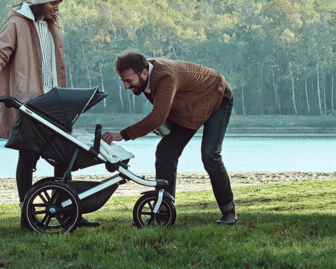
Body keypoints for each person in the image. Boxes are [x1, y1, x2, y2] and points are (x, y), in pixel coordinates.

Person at [0, 0, 90, 221]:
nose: (57, 8)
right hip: (29, 103)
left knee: (64, 156)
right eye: (53, 3)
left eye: (58, 3)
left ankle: (67, 212)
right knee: (27, 157)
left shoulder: (54, 27)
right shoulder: (16, 24)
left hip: (55, 102)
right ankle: (26, 213)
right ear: (41, 1)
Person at [100, 52, 237, 224]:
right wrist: (165, 122)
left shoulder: (165, 76)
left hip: (217, 95)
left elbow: (157, 116)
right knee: (166, 152)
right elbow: (164, 109)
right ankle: (163, 214)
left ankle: (228, 211)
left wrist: (122, 134)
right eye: (123, 81)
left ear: (144, 73)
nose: (126, 86)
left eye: (128, 80)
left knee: (210, 154)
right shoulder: (144, 78)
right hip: (191, 106)